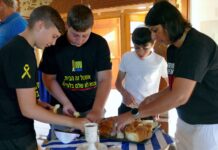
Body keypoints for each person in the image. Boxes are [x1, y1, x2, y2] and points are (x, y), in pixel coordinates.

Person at [116, 1, 218, 150]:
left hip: (207, 124)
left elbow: (180, 96)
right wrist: (155, 97)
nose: (153, 36)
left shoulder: (197, 46)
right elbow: (174, 86)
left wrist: (134, 114)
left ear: (169, 24)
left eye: (155, 30)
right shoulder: (173, 50)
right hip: (185, 120)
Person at [0, 6, 89, 150]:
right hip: (12, 135)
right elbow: (28, 109)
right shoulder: (20, 53)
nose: (53, 43)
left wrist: (41, 105)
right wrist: (74, 123)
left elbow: (15, 94)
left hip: (19, 130)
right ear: (40, 25)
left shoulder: (24, 49)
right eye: (54, 36)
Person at [39, 4, 112, 122]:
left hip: (92, 107)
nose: (79, 40)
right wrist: (66, 103)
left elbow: (105, 79)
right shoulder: (53, 44)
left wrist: (97, 109)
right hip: (62, 109)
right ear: (67, 26)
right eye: (75, 35)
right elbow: (48, 79)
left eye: (85, 35)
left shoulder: (99, 44)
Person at [115, 26, 168, 117]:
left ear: (152, 44)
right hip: (127, 107)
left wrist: (158, 105)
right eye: (137, 48)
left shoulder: (159, 61)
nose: (140, 52)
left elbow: (170, 85)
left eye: (145, 48)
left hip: (148, 109)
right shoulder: (127, 57)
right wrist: (124, 93)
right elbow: (118, 83)